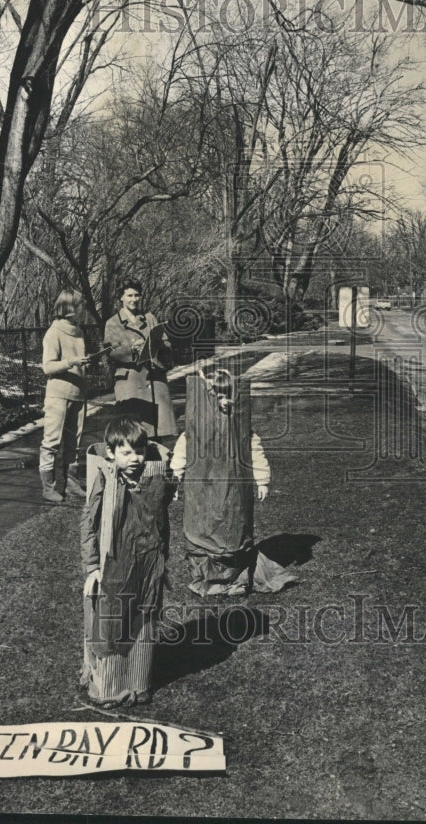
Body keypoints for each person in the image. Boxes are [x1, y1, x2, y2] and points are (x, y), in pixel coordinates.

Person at [80, 416, 175, 708]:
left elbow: (161, 520)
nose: (134, 459)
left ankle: (137, 682)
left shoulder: (152, 478)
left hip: (146, 565)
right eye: (126, 452)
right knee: (110, 623)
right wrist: (92, 567)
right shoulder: (106, 478)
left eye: (139, 451)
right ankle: (108, 687)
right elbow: (88, 524)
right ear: (110, 453)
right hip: (114, 567)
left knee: (142, 619)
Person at [171, 368, 271, 597]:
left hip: (233, 492)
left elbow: (256, 452)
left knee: (232, 527)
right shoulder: (195, 430)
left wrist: (262, 480)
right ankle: (207, 577)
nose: (223, 401)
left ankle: (233, 577)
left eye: (227, 395)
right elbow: (181, 452)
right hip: (203, 491)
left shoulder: (242, 429)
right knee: (204, 529)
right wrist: (175, 476)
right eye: (217, 396)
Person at [103, 279, 177, 444]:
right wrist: (131, 348)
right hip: (130, 381)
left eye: (137, 295)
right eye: (129, 295)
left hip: (154, 378)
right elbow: (110, 352)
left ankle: (157, 468)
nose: (134, 299)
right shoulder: (112, 323)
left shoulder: (150, 318)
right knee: (132, 432)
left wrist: (156, 345)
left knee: (159, 434)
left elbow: (166, 344)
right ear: (121, 298)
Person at [39, 289, 90, 504]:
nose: (84, 310)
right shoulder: (54, 332)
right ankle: (48, 487)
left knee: (73, 443)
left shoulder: (78, 331)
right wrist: (72, 362)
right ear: (70, 309)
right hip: (58, 395)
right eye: (81, 306)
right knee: (51, 442)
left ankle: (71, 483)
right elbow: (48, 367)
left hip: (78, 393)